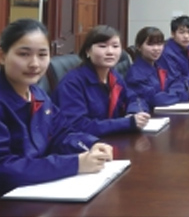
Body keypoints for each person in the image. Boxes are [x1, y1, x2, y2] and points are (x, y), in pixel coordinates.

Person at [0, 19, 113, 195]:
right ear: (2, 56)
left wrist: (91, 144)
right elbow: (4, 169)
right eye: (24, 54)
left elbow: (61, 133)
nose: (34, 64)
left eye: (42, 55)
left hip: (35, 191)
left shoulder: (38, 94)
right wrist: (75, 164)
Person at [54, 25, 150, 136]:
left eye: (115, 46)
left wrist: (134, 112)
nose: (110, 52)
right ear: (88, 51)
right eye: (102, 46)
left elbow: (134, 98)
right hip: (85, 144)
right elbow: (77, 126)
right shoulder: (72, 83)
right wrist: (127, 123)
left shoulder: (114, 76)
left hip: (109, 139)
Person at [126, 26, 189, 109]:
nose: (156, 48)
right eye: (150, 44)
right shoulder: (136, 74)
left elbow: (176, 82)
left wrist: (172, 94)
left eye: (159, 44)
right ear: (139, 47)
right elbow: (156, 99)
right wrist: (182, 96)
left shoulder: (157, 66)